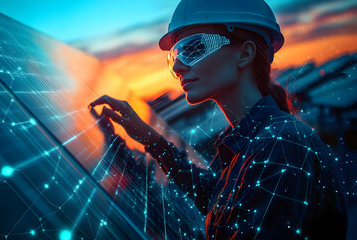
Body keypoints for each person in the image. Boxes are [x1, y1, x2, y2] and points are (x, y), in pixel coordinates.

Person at [89, 0, 348, 239]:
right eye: (175, 56)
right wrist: (148, 137)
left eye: (193, 48)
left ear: (244, 54)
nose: (178, 67)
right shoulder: (254, 141)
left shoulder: (279, 145)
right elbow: (215, 196)